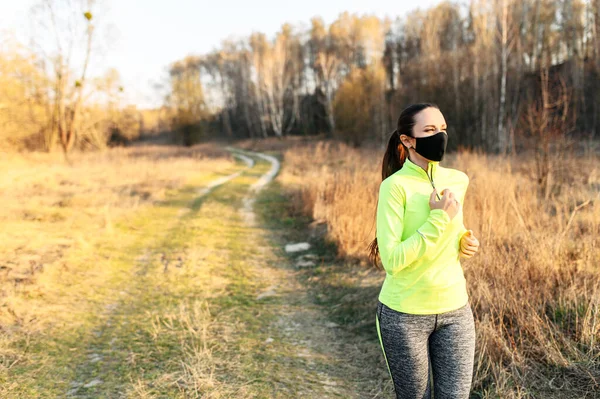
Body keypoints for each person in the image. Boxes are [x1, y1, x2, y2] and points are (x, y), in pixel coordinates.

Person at [367, 103, 481, 398]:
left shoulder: (458, 180)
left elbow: (454, 231)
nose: (439, 136)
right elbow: (392, 261)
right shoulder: (394, 187)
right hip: (404, 315)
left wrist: (465, 242)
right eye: (429, 130)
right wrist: (438, 217)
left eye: (442, 129)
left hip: (456, 309)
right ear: (407, 140)